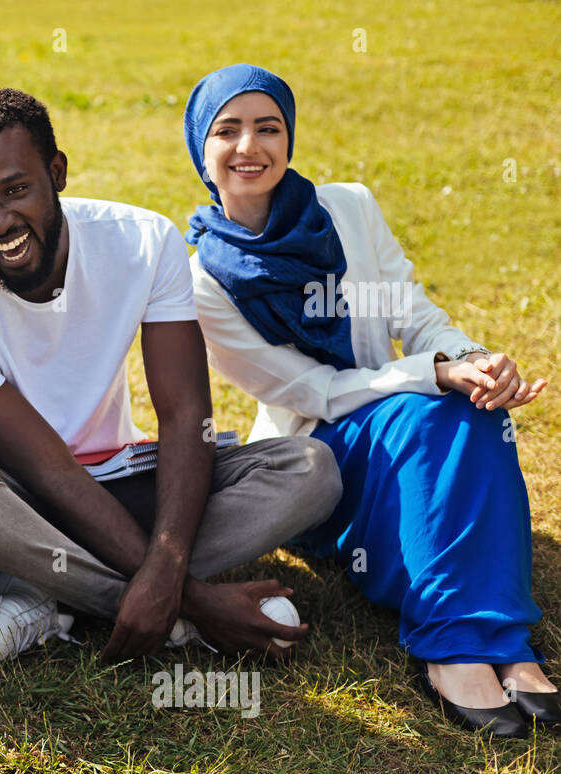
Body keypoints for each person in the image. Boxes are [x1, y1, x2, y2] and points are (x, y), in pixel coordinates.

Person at [0, 88, 342, 666]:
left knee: (310, 470)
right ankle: (155, 606)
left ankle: (51, 590)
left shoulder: (144, 241)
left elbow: (184, 418)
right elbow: (45, 468)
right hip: (17, 505)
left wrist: (167, 564)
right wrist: (199, 600)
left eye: (16, 190)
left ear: (57, 172)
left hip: (125, 483)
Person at [182, 64, 552, 737]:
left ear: (289, 139)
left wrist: (469, 359)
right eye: (226, 131)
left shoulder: (347, 207)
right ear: (201, 153)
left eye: (269, 128)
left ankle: (489, 640)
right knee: (432, 410)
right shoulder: (204, 278)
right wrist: (427, 374)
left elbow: (413, 309)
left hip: (409, 421)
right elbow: (310, 391)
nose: (249, 147)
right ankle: (456, 644)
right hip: (313, 457)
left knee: (469, 410)